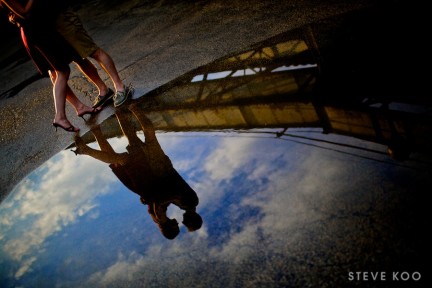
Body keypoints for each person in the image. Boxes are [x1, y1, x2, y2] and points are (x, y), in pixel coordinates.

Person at [72, 105, 202, 239]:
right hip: (156, 172)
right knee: (127, 153)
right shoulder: (189, 204)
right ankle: (112, 118)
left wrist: (157, 200)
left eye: (178, 226)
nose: (181, 222)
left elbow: (162, 200)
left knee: (130, 149)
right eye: (186, 224)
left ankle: (121, 111)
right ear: (192, 220)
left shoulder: (181, 207)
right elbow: (167, 196)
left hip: (153, 174)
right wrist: (157, 200)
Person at [1, 0, 101, 132]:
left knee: (56, 71)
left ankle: (79, 107)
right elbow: (23, 12)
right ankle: (60, 116)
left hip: (40, 28)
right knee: (62, 71)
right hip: (36, 32)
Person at [53, 2, 134, 108]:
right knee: (77, 58)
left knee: (93, 51)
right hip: (53, 26)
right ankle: (103, 90)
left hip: (62, 17)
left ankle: (121, 87)